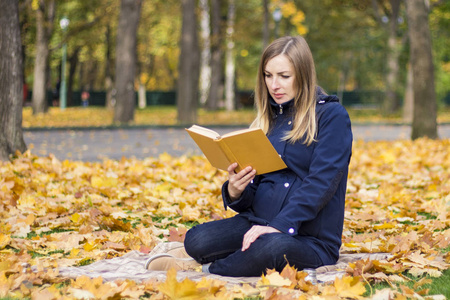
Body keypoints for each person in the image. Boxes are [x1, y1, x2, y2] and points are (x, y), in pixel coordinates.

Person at [145, 35, 353, 277]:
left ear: (303, 75)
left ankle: (202, 268)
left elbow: (322, 183)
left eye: (284, 76)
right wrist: (236, 190)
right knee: (196, 239)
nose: (274, 85)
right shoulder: (268, 119)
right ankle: (203, 255)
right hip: (258, 222)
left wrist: (278, 226)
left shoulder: (331, 116)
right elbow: (258, 189)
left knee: (271, 248)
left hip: (308, 239)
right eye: (268, 75)